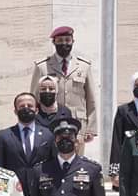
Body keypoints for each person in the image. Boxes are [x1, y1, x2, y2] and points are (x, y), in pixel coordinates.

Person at [30, 27, 97, 155]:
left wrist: (91, 129)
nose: (64, 43)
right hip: (49, 123)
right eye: (60, 40)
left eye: (67, 40)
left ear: (73, 41)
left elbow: (91, 99)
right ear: (54, 42)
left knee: (76, 162)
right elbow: (34, 98)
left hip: (77, 124)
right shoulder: (42, 66)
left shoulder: (84, 66)